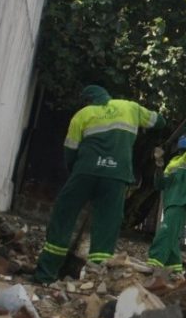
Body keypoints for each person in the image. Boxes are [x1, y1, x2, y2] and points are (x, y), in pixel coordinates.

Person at [33, 85, 165, 284]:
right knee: (107, 226)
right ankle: (96, 279)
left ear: (88, 100)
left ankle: (45, 274)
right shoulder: (129, 107)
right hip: (116, 176)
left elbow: (70, 151)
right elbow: (159, 122)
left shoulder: (82, 114)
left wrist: (77, 174)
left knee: (63, 214)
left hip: (85, 172)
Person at [147, 102, 186, 277]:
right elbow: (160, 185)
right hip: (171, 203)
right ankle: (176, 271)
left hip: (182, 201)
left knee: (165, 233)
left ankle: (153, 264)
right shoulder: (172, 163)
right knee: (171, 239)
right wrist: (158, 164)